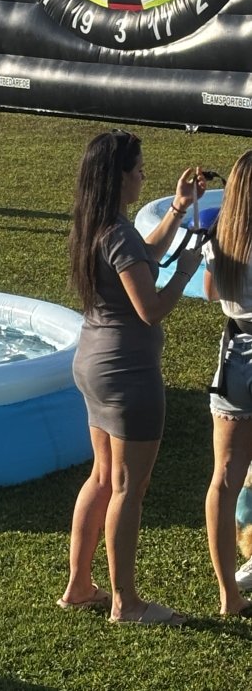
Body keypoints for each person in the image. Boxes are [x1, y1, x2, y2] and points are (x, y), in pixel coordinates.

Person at [57, 129, 205, 625]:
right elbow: (150, 308)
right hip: (128, 374)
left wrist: (178, 209)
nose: (144, 175)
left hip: (94, 363)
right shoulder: (117, 233)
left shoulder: (95, 223)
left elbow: (143, 257)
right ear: (119, 176)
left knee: (102, 477)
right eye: (139, 169)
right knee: (128, 487)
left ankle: (79, 586)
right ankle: (126, 603)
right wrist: (185, 271)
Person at [203, 150, 252, 617]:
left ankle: (228, 595)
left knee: (224, 479)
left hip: (236, 357)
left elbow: (210, 291)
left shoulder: (222, 236)